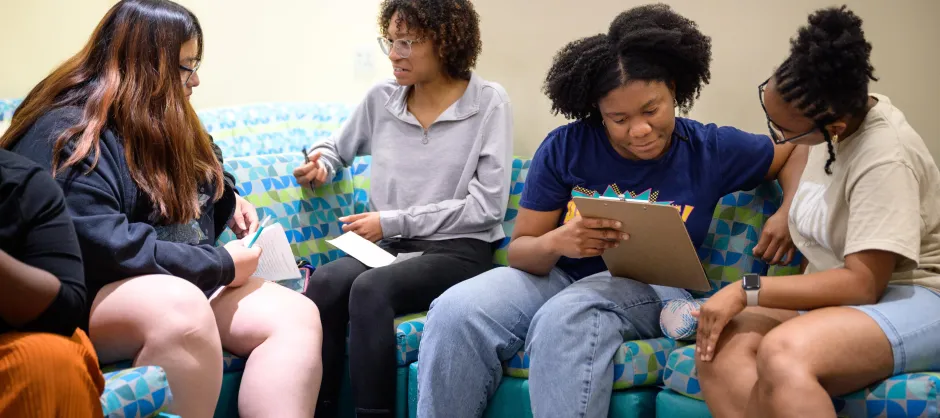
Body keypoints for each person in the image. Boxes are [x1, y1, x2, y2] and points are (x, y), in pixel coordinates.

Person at [415, 4, 807, 418]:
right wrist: (558, 241)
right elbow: (521, 252)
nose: (638, 130)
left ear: (674, 90)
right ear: (597, 114)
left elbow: (797, 148)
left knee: (567, 315)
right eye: (618, 119)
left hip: (658, 286)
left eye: (651, 110)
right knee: (455, 310)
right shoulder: (566, 146)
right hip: (560, 276)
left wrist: (787, 210)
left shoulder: (707, 149)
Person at [1, 1, 322, 417]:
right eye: (187, 67)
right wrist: (221, 265)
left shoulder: (161, 116)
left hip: (173, 277)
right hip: (87, 292)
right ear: (147, 68)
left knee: (296, 315)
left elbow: (198, 176)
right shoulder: (69, 132)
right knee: (181, 309)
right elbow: (103, 245)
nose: (197, 80)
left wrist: (229, 196)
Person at [693, 5, 940, 418]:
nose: (779, 138)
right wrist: (789, 213)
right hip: (846, 303)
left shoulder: (885, 156)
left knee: (782, 353)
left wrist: (744, 289)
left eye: (786, 132)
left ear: (835, 126)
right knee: (717, 344)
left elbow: (863, 284)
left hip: (915, 295)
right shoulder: (826, 133)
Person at [292, 0, 512, 416]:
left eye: (408, 43)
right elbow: (338, 148)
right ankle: (316, 408)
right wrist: (320, 163)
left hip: (457, 249)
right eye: (391, 41)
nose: (394, 54)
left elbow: (486, 207)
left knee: (371, 289)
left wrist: (390, 220)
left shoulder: (489, 102)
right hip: (389, 246)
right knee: (323, 283)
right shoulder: (382, 98)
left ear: (447, 42)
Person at [0, 148, 105, 417]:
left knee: (50, 361)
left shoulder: (22, 184)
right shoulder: (65, 140)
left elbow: (64, 309)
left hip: (18, 341)